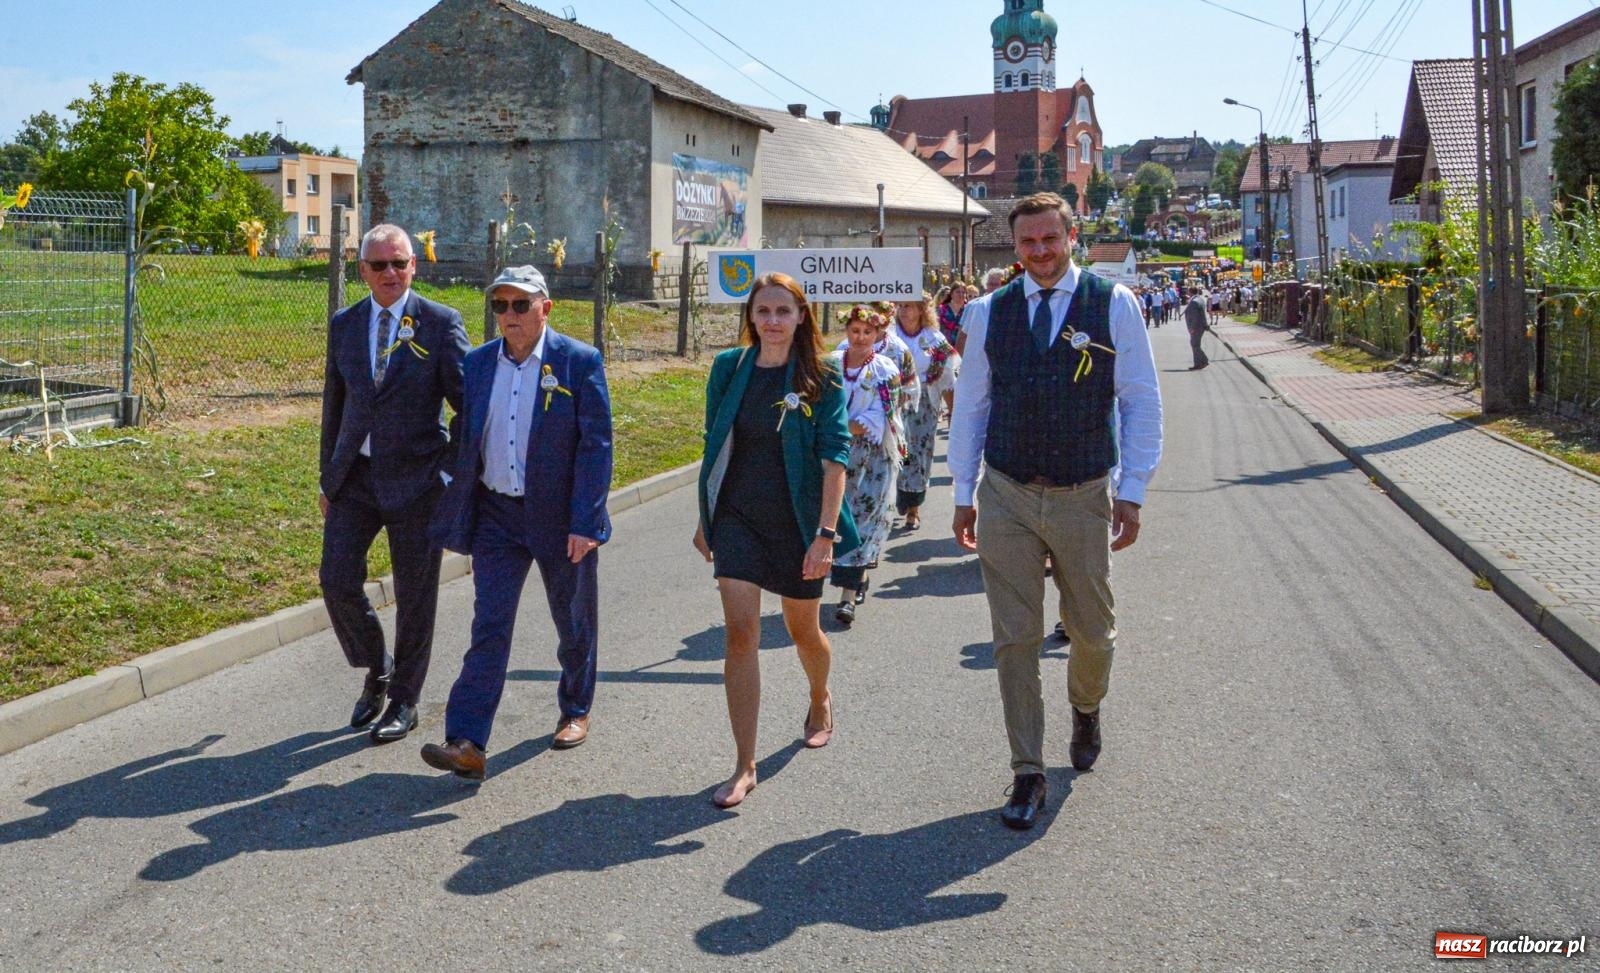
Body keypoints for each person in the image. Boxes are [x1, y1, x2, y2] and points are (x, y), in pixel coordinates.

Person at [948, 192, 1163, 830]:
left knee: (1093, 632)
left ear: (1072, 235)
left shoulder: (1112, 304)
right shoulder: (990, 312)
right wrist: (964, 492)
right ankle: (1027, 771)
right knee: (1015, 639)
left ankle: (1086, 705)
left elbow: (1140, 400)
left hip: (1083, 491)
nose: (1039, 253)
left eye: (1050, 239)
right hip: (1008, 490)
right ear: (1014, 247)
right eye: (1027, 243)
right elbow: (972, 406)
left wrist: (1135, 488)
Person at [419, 265, 613, 781]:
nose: (509, 316)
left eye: (520, 305)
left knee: (573, 621)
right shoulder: (479, 363)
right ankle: (466, 740)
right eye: (500, 306)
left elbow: (597, 445)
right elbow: (466, 430)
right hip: (497, 516)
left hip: (559, 517)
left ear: (545, 308)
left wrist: (586, 520)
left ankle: (575, 707)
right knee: (490, 625)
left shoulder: (578, 362)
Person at [692, 272, 859, 809]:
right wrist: (706, 514)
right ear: (751, 317)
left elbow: (836, 456)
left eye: (782, 311)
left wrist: (825, 535)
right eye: (762, 311)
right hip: (739, 518)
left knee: (802, 630)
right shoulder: (729, 369)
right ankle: (744, 764)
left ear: (801, 315)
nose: (771, 322)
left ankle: (819, 696)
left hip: (797, 522)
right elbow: (714, 442)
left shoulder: (821, 375)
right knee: (740, 635)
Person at [319, 223, 469, 744]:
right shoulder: (345, 323)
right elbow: (334, 405)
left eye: (399, 263)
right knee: (335, 578)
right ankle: (376, 666)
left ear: (414, 266)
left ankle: (405, 698)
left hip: (418, 481)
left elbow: (469, 409)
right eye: (379, 265)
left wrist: (448, 473)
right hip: (356, 479)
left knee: (415, 594)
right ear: (362, 270)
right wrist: (328, 475)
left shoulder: (440, 323)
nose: (390, 273)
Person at [829, 304, 903, 624]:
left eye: (867, 332)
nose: (860, 338)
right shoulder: (830, 364)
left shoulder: (885, 369)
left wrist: (836, 424)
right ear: (847, 331)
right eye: (855, 331)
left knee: (863, 520)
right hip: (832, 453)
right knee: (833, 518)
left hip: (871, 455)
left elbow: (879, 416)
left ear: (878, 334)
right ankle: (848, 578)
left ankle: (847, 598)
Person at [890, 295, 959, 530]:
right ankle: (902, 491)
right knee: (901, 451)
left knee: (920, 454)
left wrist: (954, 413)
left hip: (925, 405)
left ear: (921, 309)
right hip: (896, 403)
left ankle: (914, 506)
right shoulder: (889, 336)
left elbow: (948, 379)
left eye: (908, 306)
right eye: (899, 306)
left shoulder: (933, 338)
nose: (903, 311)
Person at [1185, 287, 1211, 370]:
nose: (1187, 293)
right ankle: (1200, 363)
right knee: (1195, 345)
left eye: (1188, 291)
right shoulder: (1200, 299)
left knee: (1195, 345)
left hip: (1196, 327)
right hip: (1200, 326)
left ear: (1190, 292)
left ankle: (1202, 362)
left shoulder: (1194, 302)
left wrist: (1192, 328)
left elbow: (1195, 317)